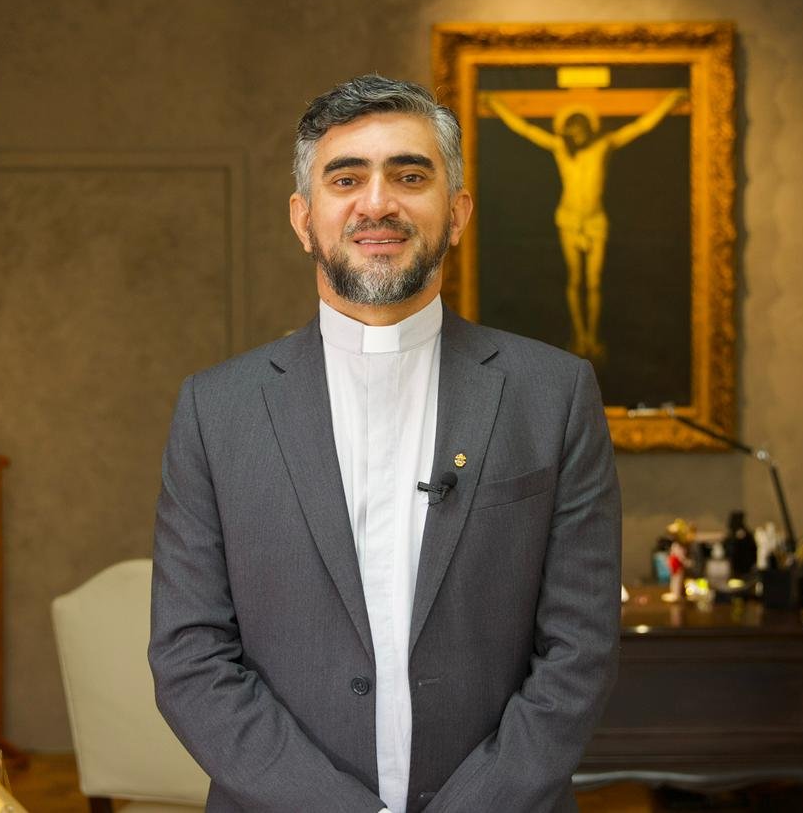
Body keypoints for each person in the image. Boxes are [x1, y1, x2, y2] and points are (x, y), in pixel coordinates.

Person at [150, 74, 622, 813]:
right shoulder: (216, 410)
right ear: (303, 219)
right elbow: (190, 655)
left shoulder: (553, 395)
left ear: (456, 212)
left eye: (409, 176)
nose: (377, 203)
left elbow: (581, 648)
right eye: (346, 179)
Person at [482, 90, 688, 360]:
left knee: (594, 282)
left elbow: (641, 126)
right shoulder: (561, 148)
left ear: (589, 128)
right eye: (572, 128)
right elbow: (525, 129)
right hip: (569, 219)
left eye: (580, 128)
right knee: (575, 279)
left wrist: (668, 103)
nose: (576, 133)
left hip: (595, 221)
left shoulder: (604, 146)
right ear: (567, 130)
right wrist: (498, 106)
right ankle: (579, 335)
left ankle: (593, 335)